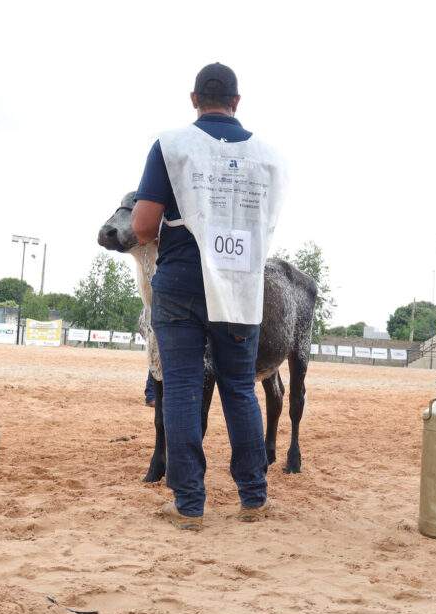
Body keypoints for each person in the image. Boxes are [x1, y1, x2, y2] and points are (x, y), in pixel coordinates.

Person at [130, 63, 287, 530]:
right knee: (239, 387)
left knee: (180, 387)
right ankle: (253, 497)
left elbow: (143, 226)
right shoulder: (270, 156)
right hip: (239, 281)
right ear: (236, 102)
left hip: (182, 278)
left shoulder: (170, 145)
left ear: (194, 99)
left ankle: (189, 504)